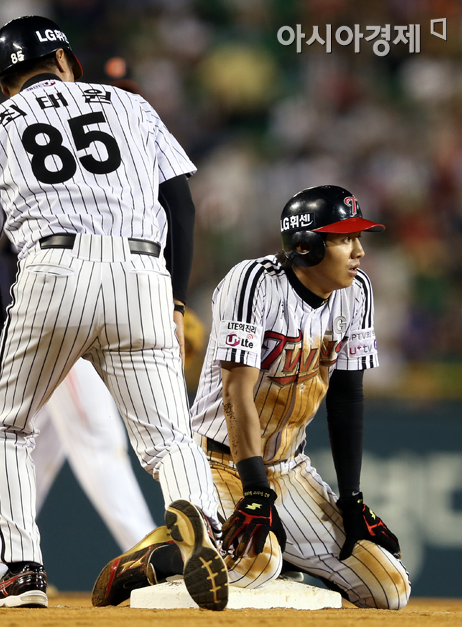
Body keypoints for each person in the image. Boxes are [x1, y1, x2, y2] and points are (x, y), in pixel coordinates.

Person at [0, 15, 228, 611]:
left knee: (8, 428)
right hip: (142, 274)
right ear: (68, 63)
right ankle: (201, 534)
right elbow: (181, 207)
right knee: (169, 438)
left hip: (52, 272)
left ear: (6, 82)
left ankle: (22, 570)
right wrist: (176, 296)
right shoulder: (131, 106)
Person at [91, 185, 411, 610]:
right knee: (255, 567)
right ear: (307, 245)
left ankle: (280, 560)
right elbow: (235, 393)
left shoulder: (357, 292)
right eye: (344, 239)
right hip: (219, 461)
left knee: (389, 588)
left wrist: (351, 499)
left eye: (358, 238)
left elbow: (347, 398)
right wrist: (257, 491)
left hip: (289, 467)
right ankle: (156, 558)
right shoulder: (254, 283)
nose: (359, 252)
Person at [0, 358, 156, 596]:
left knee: (39, 443)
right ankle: (150, 557)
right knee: (98, 442)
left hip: (53, 332)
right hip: (73, 334)